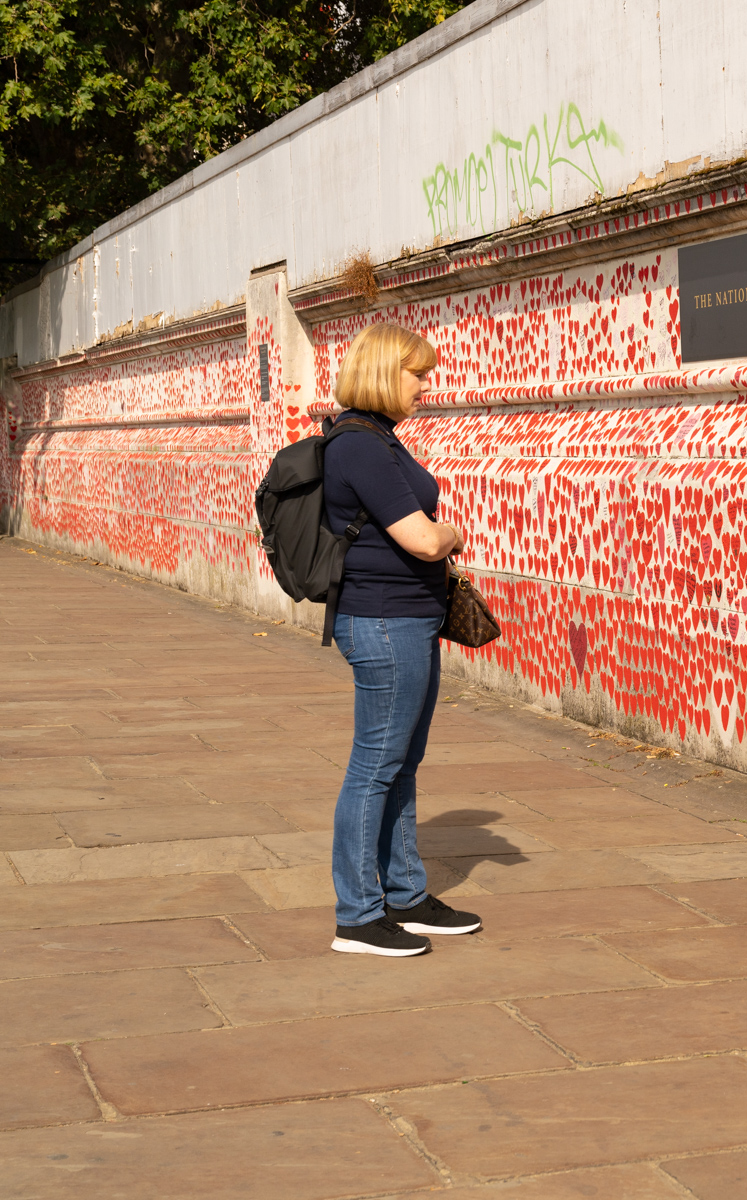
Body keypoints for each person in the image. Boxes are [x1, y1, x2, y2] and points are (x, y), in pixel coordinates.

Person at [321, 322, 481, 956]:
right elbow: (420, 537)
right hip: (385, 621)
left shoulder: (380, 440)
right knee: (376, 767)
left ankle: (406, 896)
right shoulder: (360, 446)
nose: (426, 384)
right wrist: (454, 535)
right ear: (388, 372)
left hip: (409, 617)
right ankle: (358, 915)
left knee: (401, 764)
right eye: (418, 373)